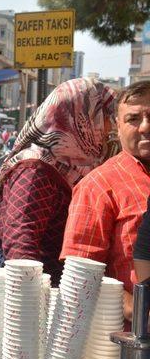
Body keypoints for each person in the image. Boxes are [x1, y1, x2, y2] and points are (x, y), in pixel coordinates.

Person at [0, 78, 116, 307]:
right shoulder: (35, 169)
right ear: (82, 118)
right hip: (16, 292)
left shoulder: (73, 165)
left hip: (44, 284)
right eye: (105, 117)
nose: (110, 126)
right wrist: (34, 305)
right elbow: (21, 244)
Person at [62, 80, 150, 322]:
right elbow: (82, 274)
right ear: (117, 128)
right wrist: (137, 310)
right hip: (130, 342)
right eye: (133, 119)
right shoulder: (98, 187)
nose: (145, 126)